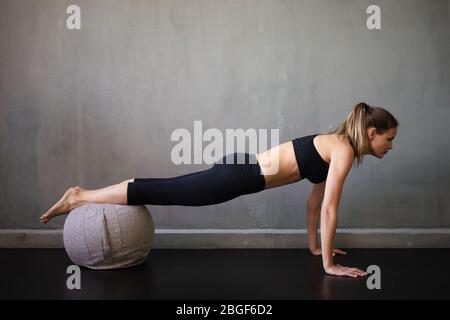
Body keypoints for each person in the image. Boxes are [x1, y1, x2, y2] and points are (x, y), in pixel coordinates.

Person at [40, 102, 398, 278]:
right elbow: (329, 210)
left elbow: (314, 201)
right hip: (238, 177)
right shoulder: (345, 151)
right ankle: (80, 196)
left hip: (240, 171)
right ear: (371, 134)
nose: (390, 146)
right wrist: (329, 265)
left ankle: (81, 195)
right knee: (163, 191)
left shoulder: (335, 145)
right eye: (389, 139)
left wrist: (315, 247)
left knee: (166, 190)